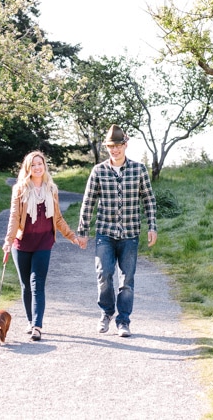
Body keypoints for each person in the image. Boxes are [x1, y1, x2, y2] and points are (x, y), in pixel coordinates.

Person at [76, 125, 157, 338]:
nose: (115, 150)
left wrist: (152, 226)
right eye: (111, 146)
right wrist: (82, 230)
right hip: (105, 232)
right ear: (107, 148)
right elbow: (88, 201)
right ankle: (106, 312)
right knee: (104, 274)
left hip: (130, 233)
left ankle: (123, 321)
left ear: (125, 145)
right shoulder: (99, 171)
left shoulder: (139, 170)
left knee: (127, 280)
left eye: (118, 145)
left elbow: (149, 200)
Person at [3, 150, 84, 341]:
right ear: (28, 168)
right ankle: (31, 321)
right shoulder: (20, 189)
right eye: (33, 165)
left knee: (37, 283)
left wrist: (72, 236)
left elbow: (57, 218)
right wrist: (8, 242)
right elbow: (14, 217)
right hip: (21, 244)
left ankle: (37, 326)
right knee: (25, 285)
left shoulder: (51, 189)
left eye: (40, 164)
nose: (37, 168)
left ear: (44, 166)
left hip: (43, 243)